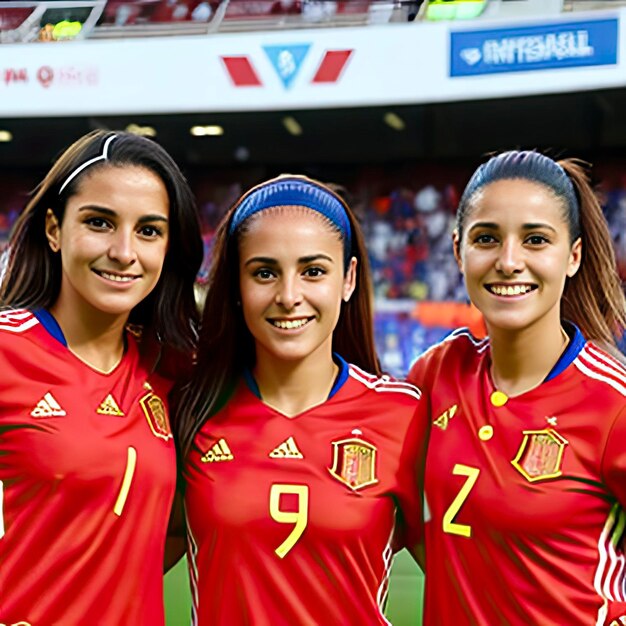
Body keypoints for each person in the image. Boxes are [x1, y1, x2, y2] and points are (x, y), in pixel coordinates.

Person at [173, 174, 428, 625]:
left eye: (313, 271)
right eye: (265, 272)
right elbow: (118, 557)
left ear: (347, 279)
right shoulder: (191, 410)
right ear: (235, 286)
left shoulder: (405, 415)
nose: (289, 297)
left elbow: (470, 575)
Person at [407, 150, 626, 625]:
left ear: (573, 256)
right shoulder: (437, 373)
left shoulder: (614, 406)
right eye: (487, 239)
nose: (509, 261)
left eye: (535, 240)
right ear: (457, 250)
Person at [0, 129, 203, 624]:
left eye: (149, 231)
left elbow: (171, 532)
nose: (123, 251)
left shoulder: (172, 371)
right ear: (54, 228)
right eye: (99, 222)